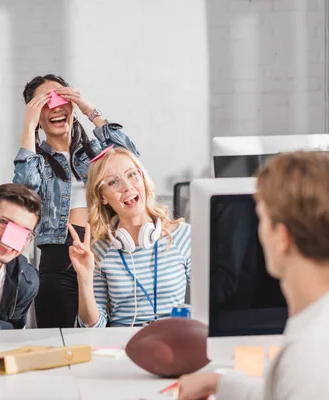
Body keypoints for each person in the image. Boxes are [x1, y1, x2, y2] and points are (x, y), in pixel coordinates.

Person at [178, 151, 329, 400]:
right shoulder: (314, 331)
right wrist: (218, 383)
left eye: (261, 219)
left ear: (282, 238)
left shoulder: (308, 355)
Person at [13, 74, 139, 328]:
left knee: (114, 337)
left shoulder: (96, 153)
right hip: (60, 261)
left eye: (61, 98)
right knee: (60, 342)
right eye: (44, 102)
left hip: (108, 252)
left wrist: (88, 109)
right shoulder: (35, 162)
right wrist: (28, 127)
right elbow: (23, 198)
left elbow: (131, 159)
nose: (55, 107)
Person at [68, 147, 191, 327]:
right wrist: (84, 279)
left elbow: (212, 300)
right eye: (113, 182)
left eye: (132, 175)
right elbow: (94, 325)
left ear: (143, 178)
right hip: (123, 347)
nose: (127, 187)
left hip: (173, 341)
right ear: (103, 197)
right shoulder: (100, 250)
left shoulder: (182, 236)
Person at [0, 183, 41, 330]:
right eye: (5, 223)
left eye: (23, 233)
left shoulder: (26, 281)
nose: (9, 239)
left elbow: (14, 326)